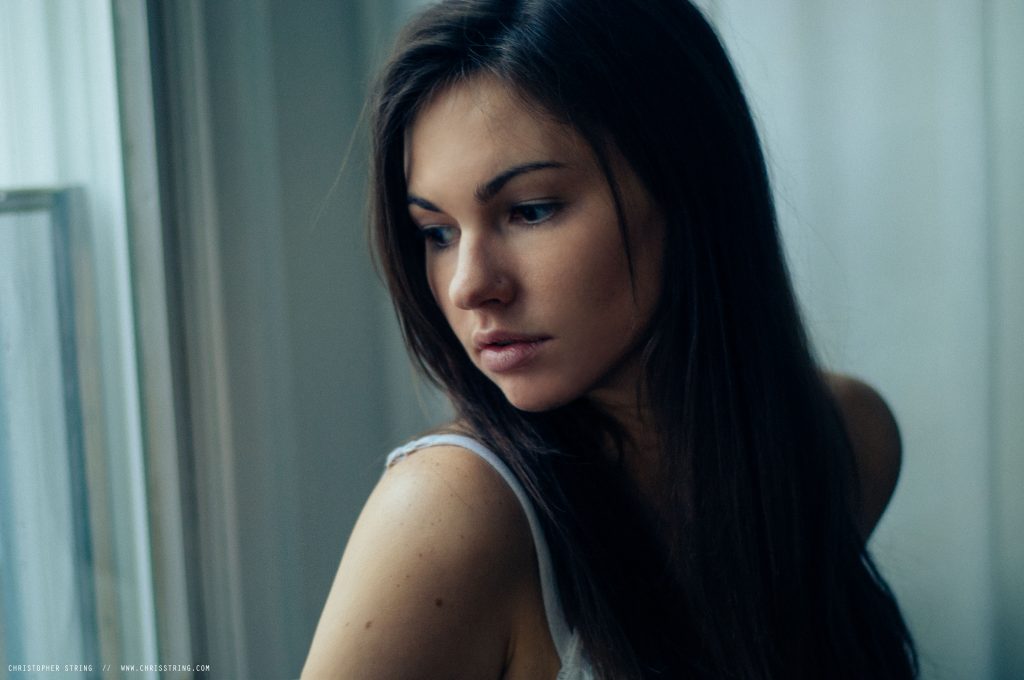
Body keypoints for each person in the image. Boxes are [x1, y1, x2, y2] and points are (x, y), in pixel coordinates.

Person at [302, 0, 918, 677]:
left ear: (687, 187)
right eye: (437, 233)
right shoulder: (449, 513)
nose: (467, 286)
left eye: (530, 210)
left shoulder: (848, 440)